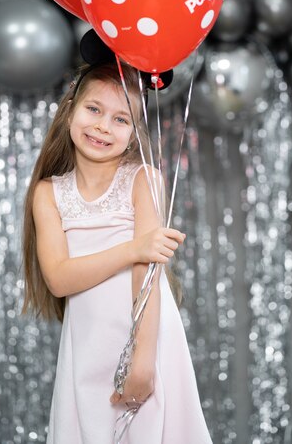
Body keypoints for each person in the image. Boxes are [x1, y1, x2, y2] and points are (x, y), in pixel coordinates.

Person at [21, 58, 213, 444]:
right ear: (71, 109)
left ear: (133, 131)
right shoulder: (48, 193)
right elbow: (58, 278)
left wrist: (142, 361)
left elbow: (147, 276)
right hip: (87, 344)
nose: (103, 127)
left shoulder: (144, 180)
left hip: (144, 338)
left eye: (120, 119)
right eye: (94, 109)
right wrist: (134, 248)